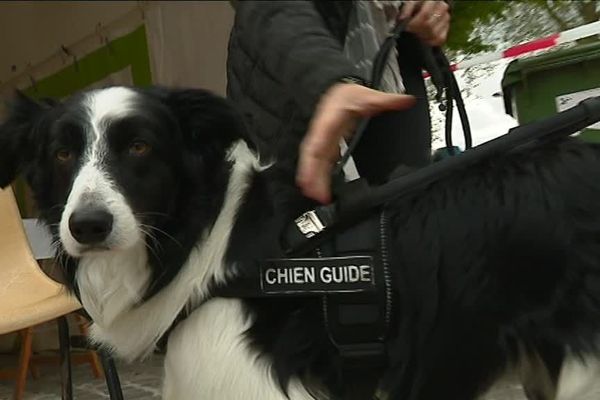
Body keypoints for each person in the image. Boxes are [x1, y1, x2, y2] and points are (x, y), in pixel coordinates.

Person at [227, 1, 451, 204]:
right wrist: (326, 80)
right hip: (287, 79)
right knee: (297, 231)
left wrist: (435, 6)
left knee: (409, 211)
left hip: (393, 63)